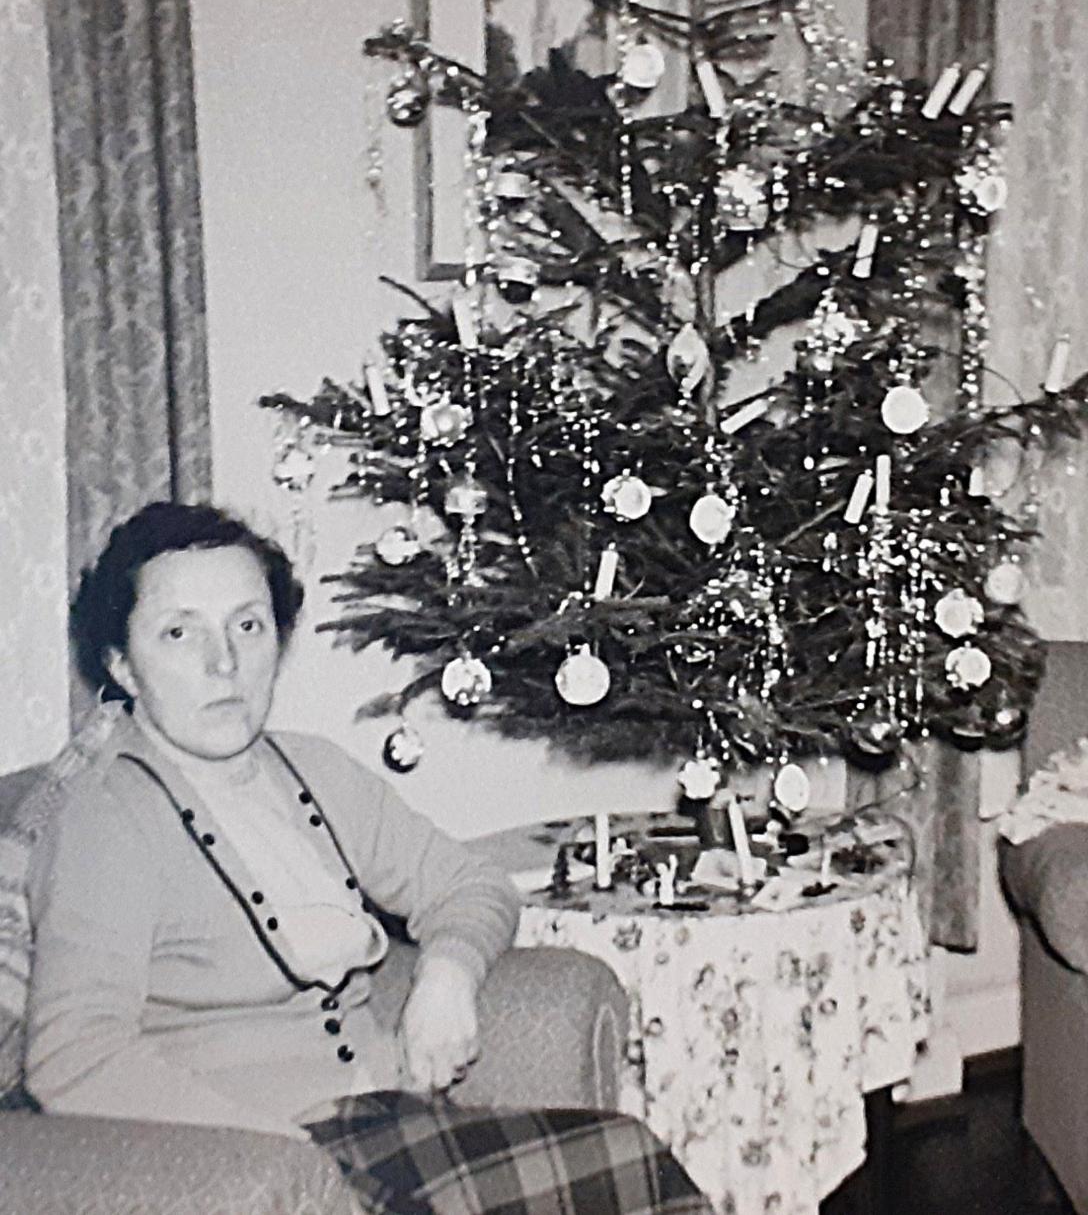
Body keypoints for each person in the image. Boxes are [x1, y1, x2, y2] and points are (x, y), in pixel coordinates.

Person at [26, 501, 711, 1215]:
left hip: (382, 1126)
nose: (222, 661)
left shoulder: (313, 769)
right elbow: (75, 1055)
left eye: (247, 625)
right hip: (249, 1165)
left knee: (623, 1154)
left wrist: (445, 977)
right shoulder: (104, 820)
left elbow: (469, 884)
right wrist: (279, 1164)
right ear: (122, 665)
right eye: (178, 632)